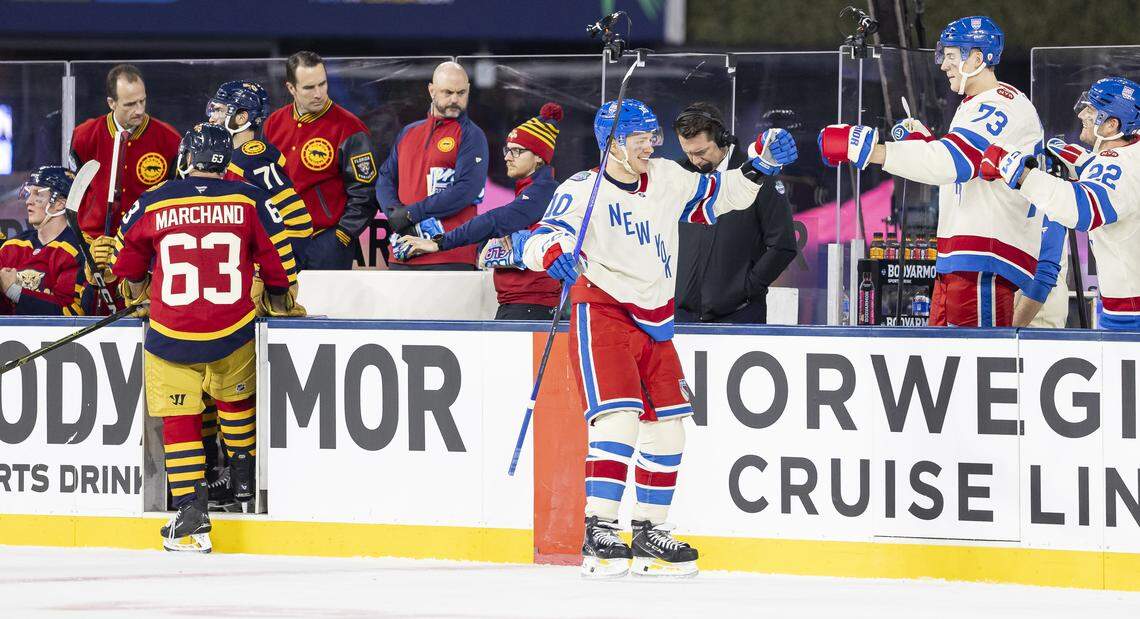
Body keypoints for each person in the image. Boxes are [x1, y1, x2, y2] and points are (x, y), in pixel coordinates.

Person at [518, 98, 798, 577]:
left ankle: (650, 530)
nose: (651, 144)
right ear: (613, 143)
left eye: (652, 136)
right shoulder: (582, 189)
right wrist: (550, 254)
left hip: (656, 320)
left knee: (669, 429)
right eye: (639, 137)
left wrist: (759, 165)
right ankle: (599, 528)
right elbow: (540, 236)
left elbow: (719, 195)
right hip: (603, 311)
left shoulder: (667, 178)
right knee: (618, 423)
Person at [107, 124, 300, 552]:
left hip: (171, 334)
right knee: (236, 404)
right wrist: (278, 297)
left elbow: (127, 267)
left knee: (180, 419)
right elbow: (280, 262)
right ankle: (246, 489)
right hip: (233, 330)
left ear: (185, 159)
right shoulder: (250, 198)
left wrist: (136, 291)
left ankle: (192, 510)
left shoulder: (153, 201)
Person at [818, 16, 1059, 327]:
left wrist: (870, 150)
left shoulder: (1000, 104)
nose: (944, 65)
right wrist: (927, 144)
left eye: (950, 56)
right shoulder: (978, 103)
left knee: (975, 365)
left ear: (977, 57)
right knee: (943, 362)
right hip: (963, 259)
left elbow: (954, 163)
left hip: (984, 260)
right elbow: (968, 169)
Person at [981, 77, 1140, 330]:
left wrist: (1021, 175)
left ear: (1111, 125)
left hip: (1130, 316)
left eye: (1093, 110)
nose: (1083, 115)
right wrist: (1088, 164)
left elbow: (1082, 210)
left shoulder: (1115, 164)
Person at [393, 103, 562, 319]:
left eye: (517, 151)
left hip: (530, 307)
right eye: (507, 150)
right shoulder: (530, 192)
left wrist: (440, 242)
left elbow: (497, 220)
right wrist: (493, 241)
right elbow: (498, 229)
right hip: (519, 304)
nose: (507, 157)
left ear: (539, 156)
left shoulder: (545, 190)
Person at [672, 102, 797, 323]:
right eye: (688, 153)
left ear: (721, 138)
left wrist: (747, 288)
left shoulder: (758, 175)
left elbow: (783, 244)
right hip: (680, 318)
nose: (695, 160)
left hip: (740, 315)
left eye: (701, 152)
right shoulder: (677, 177)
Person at [264, 51, 378, 270]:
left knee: (329, 306)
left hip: (326, 242)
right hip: (281, 240)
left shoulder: (350, 128)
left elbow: (366, 191)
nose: (318, 94)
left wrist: (343, 236)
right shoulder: (273, 124)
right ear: (291, 88)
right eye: (309, 87)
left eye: (322, 84)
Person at [377, 61, 489, 270]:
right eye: (447, 92)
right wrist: (394, 212)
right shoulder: (408, 132)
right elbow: (385, 178)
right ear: (431, 91)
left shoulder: (472, 136)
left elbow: (466, 190)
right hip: (403, 253)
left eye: (461, 93)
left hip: (450, 255)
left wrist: (411, 214)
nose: (455, 100)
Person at [207, 80, 313, 265]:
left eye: (220, 111)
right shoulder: (230, 158)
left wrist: (274, 271)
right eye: (213, 110)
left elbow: (299, 221)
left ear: (241, 118)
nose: (212, 118)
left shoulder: (250, 160)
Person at [70, 64, 181, 240]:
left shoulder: (169, 139)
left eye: (142, 101)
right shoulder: (84, 136)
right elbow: (75, 190)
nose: (139, 110)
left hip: (146, 242)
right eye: (130, 104)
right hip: (94, 241)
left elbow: (176, 197)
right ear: (111, 103)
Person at [0, 166, 87, 316]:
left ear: (60, 203)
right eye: (28, 194)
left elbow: (70, 314)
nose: (28, 201)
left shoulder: (75, 251)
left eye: (38, 195)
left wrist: (13, 290)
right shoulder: (12, 247)